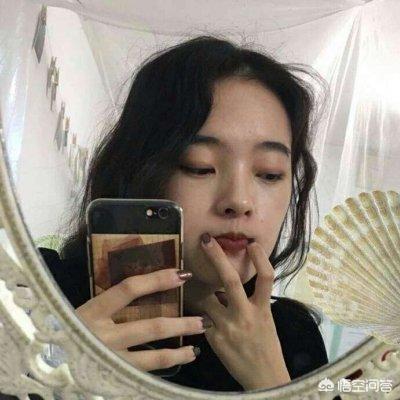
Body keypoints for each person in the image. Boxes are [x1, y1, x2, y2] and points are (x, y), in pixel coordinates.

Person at [39, 35, 331, 392]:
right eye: (199, 166)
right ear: (139, 169)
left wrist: (272, 384)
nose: (239, 201)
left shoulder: (294, 335)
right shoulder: (39, 289)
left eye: (269, 173)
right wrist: (51, 369)